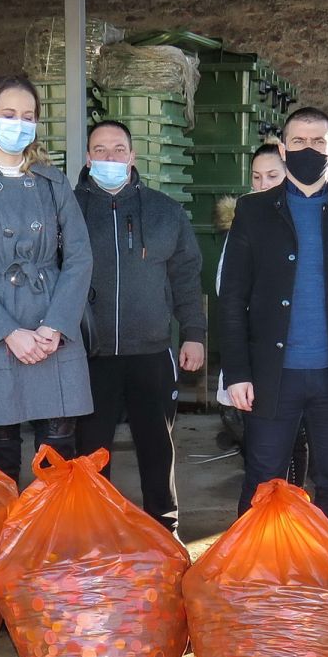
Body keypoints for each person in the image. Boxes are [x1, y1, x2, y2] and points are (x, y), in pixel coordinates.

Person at [219, 107, 328, 538]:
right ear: (283, 148)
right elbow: (232, 298)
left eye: (318, 142)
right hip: (272, 376)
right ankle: (251, 575)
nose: (308, 149)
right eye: (298, 142)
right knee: (262, 482)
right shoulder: (253, 211)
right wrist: (236, 372)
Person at [0, 75, 93, 483]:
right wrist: (9, 332)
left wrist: (56, 325)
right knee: (0, 453)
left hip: (51, 330)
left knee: (59, 457)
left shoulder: (53, 181)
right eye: (9, 114)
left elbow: (79, 257)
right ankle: (6, 540)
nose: (19, 123)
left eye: (28, 116)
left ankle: (54, 541)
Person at [72, 120, 206, 535]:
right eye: (100, 150)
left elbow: (186, 276)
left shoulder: (165, 212)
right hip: (89, 355)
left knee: (157, 449)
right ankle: (95, 532)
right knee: (90, 453)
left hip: (150, 352)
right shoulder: (68, 210)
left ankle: (165, 531)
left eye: (118, 149)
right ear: (88, 158)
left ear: (132, 156)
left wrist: (195, 334)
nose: (109, 157)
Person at [213, 144, 310, 487]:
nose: (263, 184)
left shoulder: (308, 220)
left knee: (298, 448)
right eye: (256, 177)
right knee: (262, 459)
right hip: (261, 356)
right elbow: (229, 295)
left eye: (273, 176)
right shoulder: (247, 223)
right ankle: (257, 534)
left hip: (303, 358)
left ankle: (293, 519)